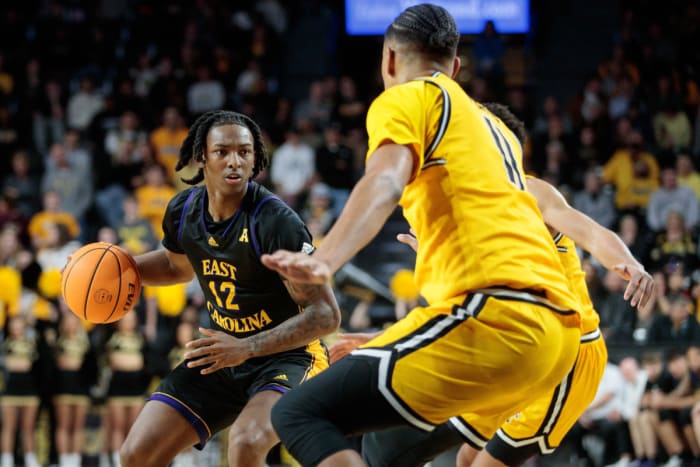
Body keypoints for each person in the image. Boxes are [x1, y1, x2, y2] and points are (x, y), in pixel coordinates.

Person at [262, 5, 587, 466]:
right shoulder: (494, 129)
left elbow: (386, 181)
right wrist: (384, 339)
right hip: (556, 341)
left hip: (498, 320)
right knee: (386, 447)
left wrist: (326, 257)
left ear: (388, 60)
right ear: (456, 67)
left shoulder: (407, 97)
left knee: (299, 412)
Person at [354, 103, 653, 467]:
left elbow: (589, 231)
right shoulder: (472, 208)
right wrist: (434, 254)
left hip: (569, 354)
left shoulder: (532, 192)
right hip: (514, 346)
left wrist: (629, 262)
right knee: (464, 458)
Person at [115, 110, 340, 467]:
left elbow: (326, 314)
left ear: (256, 159)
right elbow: (177, 266)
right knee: (135, 454)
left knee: (246, 443)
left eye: (245, 152)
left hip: (289, 356)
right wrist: (121, 268)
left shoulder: (276, 221)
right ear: (202, 157)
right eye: (222, 152)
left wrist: (248, 347)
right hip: (223, 352)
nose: (235, 161)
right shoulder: (183, 209)